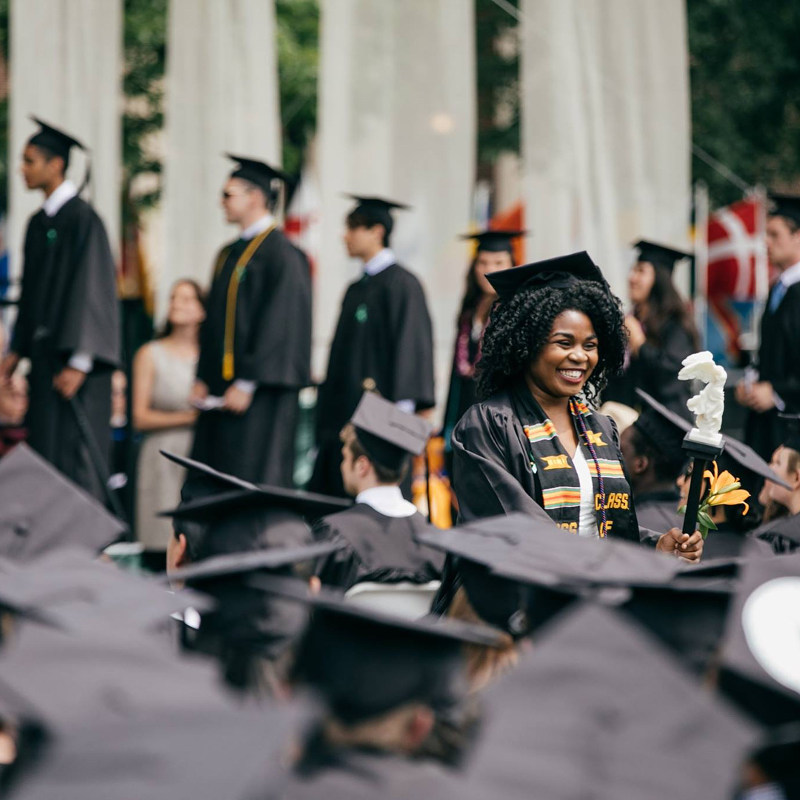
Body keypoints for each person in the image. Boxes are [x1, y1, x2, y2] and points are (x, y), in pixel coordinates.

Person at [451, 251, 703, 560]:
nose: (580, 357)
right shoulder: (489, 424)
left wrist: (655, 546)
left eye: (591, 345)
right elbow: (511, 527)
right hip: (523, 600)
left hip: (592, 595)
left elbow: (610, 527)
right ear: (526, 345)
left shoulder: (601, 428)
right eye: (564, 343)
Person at [0, 118, 120, 501]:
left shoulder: (83, 220)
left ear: (55, 165)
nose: (22, 169)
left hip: (73, 369)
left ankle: (82, 551)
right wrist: (15, 352)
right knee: (46, 454)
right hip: (46, 362)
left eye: (29, 161)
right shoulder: (39, 222)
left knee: (76, 457)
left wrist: (80, 362)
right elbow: (34, 294)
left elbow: (93, 291)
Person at [190, 155, 312, 486]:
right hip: (219, 395)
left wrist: (247, 382)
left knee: (251, 478)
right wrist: (203, 374)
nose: (221, 202)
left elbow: (281, 326)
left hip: (259, 398)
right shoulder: (227, 253)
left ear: (255, 197)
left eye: (228, 195)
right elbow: (215, 322)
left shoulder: (283, 255)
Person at [310, 195, 435, 497]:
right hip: (343, 419)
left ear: (377, 232)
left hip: (382, 420)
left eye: (353, 228)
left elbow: (410, 351)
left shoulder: (403, 285)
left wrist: (400, 426)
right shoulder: (356, 288)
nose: (345, 236)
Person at [312, 392, 444, 591]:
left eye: (345, 457)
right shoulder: (435, 542)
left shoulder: (336, 533)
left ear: (362, 466)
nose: (342, 466)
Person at [133, 279, 205, 567]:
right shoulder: (150, 354)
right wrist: (190, 417)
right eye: (174, 297)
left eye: (187, 299)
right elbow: (139, 416)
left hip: (197, 454)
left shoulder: (210, 358)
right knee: (159, 539)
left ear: (202, 310)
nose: (177, 303)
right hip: (160, 457)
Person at [442, 230, 525, 448]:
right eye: (482, 262)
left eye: (498, 262)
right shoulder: (470, 310)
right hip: (464, 412)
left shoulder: (514, 312)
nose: (489, 270)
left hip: (495, 422)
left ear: (512, 264)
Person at [736, 194, 800, 461]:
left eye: (775, 234)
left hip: (791, 430)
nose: (766, 242)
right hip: (765, 427)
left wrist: (775, 392)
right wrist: (750, 381)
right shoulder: (779, 289)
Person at [603, 240, 698, 417]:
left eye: (641, 271)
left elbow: (672, 378)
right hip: (629, 423)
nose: (632, 277)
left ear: (659, 278)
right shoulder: (630, 320)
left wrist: (640, 343)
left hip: (666, 425)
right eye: (633, 270)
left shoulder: (676, 323)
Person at [619, 406, 685, 535]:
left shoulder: (635, 525)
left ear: (640, 465)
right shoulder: (693, 522)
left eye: (620, 451)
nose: (611, 455)